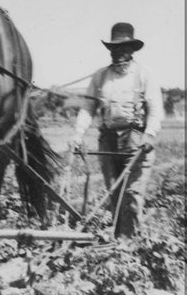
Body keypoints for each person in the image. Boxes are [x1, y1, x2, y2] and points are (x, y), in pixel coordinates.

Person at [70, 22, 164, 239]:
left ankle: (130, 243)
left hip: (135, 139)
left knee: (132, 193)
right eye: (113, 48)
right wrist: (78, 134)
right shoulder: (100, 76)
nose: (118, 52)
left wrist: (149, 135)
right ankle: (119, 240)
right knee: (114, 191)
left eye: (122, 48)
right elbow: (88, 108)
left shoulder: (144, 74)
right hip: (108, 139)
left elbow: (155, 109)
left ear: (132, 49)